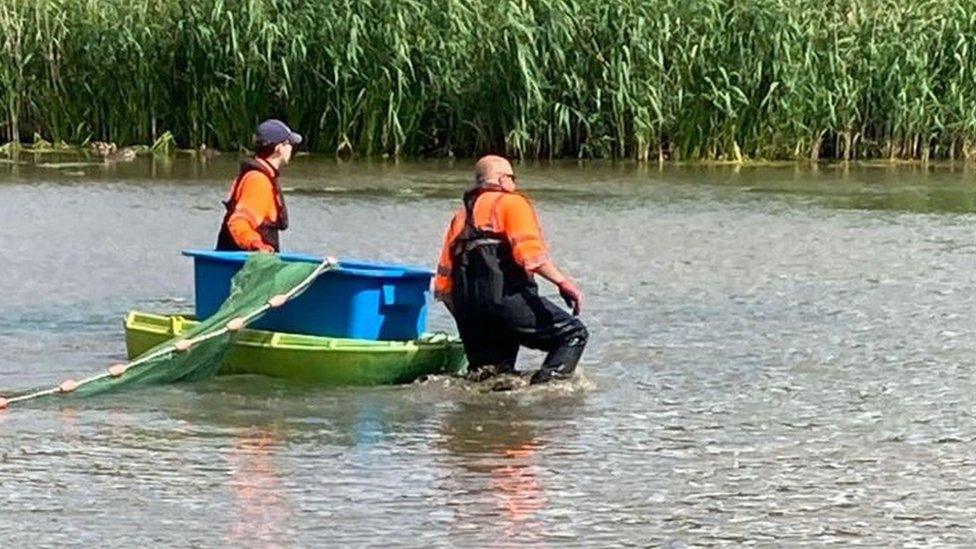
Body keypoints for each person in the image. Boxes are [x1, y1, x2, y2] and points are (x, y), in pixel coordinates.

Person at [434, 155, 588, 384]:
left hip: (468, 309)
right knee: (573, 334)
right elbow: (531, 256)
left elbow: (443, 285)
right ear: (503, 179)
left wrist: (471, 320)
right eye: (513, 177)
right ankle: (547, 392)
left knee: (490, 378)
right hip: (506, 298)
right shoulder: (511, 203)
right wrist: (564, 283)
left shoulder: (461, 217)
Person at [215, 119, 302, 252]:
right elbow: (238, 223)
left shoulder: (257, 176)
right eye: (289, 143)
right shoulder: (258, 181)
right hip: (244, 267)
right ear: (279, 148)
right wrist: (257, 245)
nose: (292, 148)